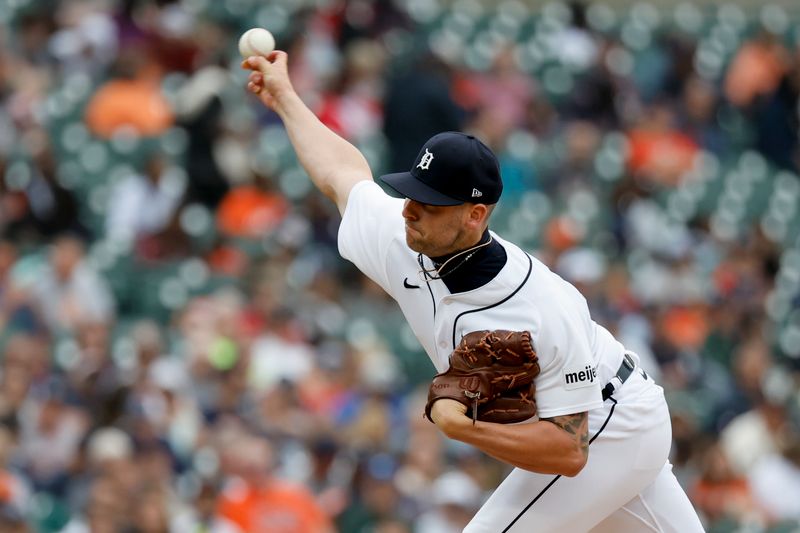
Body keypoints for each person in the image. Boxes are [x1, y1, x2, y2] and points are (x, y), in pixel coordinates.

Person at [242, 51, 705, 532]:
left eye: (432, 203)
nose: (411, 210)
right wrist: (285, 97)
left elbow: (570, 450)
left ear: (475, 215)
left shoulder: (541, 306)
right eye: (413, 193)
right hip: (614, 432)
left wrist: (465, 427)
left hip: (610, 422)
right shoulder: (403, 236)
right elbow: (341, 174)